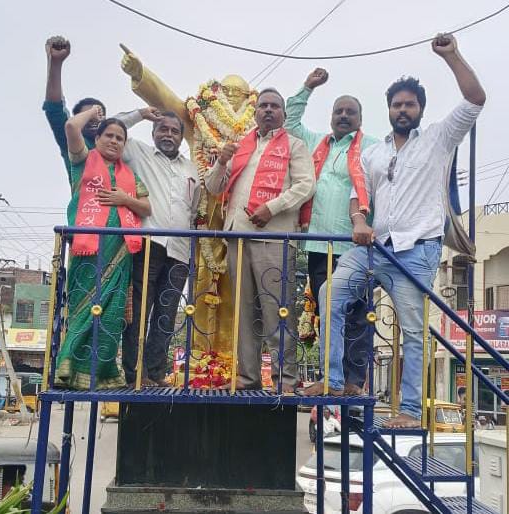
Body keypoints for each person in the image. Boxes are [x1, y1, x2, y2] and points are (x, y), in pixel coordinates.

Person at [317, 34, 485, 427]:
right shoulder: (374, 153)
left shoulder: (440, 139)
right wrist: (359, 221)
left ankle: (410, 410)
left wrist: (453, 56)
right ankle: (334, 381)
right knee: (330, 295)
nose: (403, 109)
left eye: (410, 104)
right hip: (375, 247)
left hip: (418, 250)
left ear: (420, 109)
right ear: (389, 110)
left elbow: (476, 98)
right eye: (397, 104)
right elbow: (359, 198)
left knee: (413, 328)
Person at [120, 44, 257, 357]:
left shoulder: (253, 131)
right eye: (228, 93)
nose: (233, 98)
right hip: (198, 222)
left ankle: (229, 359)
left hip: (240, 217)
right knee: (184, 296)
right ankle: (189, 359)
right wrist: (141, 74)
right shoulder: (198, 120)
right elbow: (166, 101)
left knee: (228, 295)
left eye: (239, 94)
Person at [205, 88, 316, 392]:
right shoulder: (240, 147)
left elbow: (306, 185)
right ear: (255, 113)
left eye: (275, 106)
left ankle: (286, 380)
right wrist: (221, 163)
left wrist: (273, 208)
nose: (268, 110)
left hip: (275, 238)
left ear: (282, 113)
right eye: (263, 106)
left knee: (277, 310)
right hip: (237, 237)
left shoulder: (294, 145)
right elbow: (214, 187)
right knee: (244, 311)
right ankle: (248, 378)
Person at [286, 68, 378, 397]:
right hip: (317, 245)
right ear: (331, 117)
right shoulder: (315, 144)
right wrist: (307, 86)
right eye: (338, 111)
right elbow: (289, 124)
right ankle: (331, 379)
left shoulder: (372, 147)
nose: (343, 116)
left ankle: (354, 382)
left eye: (349, 112)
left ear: (360, 118)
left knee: (356, 317)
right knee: (327, 314)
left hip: (353, 246)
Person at [55, 107, 151, 390]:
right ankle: (68, 371)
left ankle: (105, 374)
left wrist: (124, 198)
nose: (114, 141)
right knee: (84, 310)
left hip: (119, 254)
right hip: (87, 253)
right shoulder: (82, 162)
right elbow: (72, 127)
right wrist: (93, 113)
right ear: (96, 139)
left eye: (120, 138)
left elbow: (146, 207)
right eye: (108, 135)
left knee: (110, 316)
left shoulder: (130, 175)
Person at [117, 108, 201, 387]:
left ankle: (155, 372)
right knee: (140, 310)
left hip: (179, 249)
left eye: (174, 131)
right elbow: (110, 127)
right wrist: (140, 114)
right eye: (162, 129)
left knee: (166, 313)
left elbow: (195, 208)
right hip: (148, 243)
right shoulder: (138, 153)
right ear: (153, 133)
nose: (168, 134)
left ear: (180, 137)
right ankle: (134, 373)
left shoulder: (191, 168)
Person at [43, 35, 106, 173]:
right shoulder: (72, 142)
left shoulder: (117, 149)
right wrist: (55, 64)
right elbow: (55, 108)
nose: (94, 118)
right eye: (88, 116)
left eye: (99, 114)